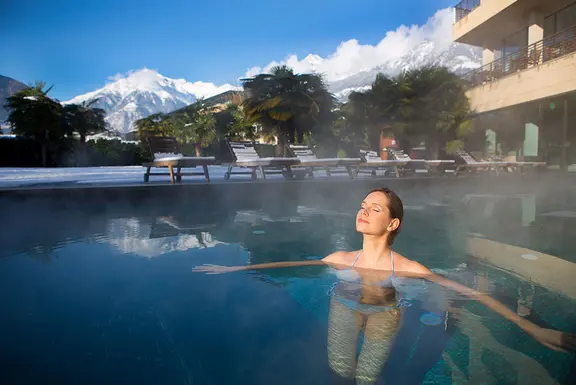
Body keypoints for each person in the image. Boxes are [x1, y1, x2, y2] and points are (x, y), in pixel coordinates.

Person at [193, 187, 576, 382]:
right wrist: (233, 271)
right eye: (362, 205)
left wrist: (531, 327)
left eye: (374, 209)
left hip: (384, 314)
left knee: (366, 378)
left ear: (392, 224)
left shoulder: (409, 267)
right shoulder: (339, 259)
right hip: (343, 306)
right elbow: (290, 263)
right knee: (340, 373)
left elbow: (470, 292)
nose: (363, 211)